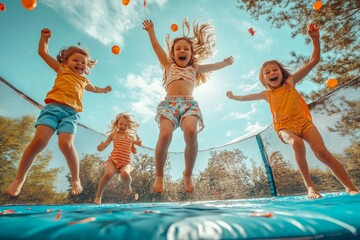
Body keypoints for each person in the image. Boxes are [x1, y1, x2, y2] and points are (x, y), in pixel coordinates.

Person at [226, 24, 358, 199]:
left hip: (304, 123)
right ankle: (310, 186)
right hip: (284, 127)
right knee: (296, 143)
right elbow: (245, 98)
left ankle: (350, 187)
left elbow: (314, 61)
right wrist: (234, 96)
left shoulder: (290, 83)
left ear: (281, 73)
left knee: (322, 153)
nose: (272, 73)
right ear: (263, 79)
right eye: (267, 72)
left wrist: (315, 40)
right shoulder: (267, 94)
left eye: (275, 70)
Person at [5, 28, 112, 196]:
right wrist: (44, 38)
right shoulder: (62, 69)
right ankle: (20, 178)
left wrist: (104, 90)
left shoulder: (84, 80)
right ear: (65, 61)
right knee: (39, 140)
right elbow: (43, 52)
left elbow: (94, 88)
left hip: (71, 114)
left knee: (66, 144)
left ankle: (75, 178)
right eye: (76, 60)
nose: (80, 64)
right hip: (53, 109)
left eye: (83, 63)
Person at [142, 18, 234, 193]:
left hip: (188, 104)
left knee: (191, 132)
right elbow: (156, 47)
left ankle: (188, 174)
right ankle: (159, 175)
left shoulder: (194, 69)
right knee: (164, 136)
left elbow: (214, 66)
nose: (182, 51)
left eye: (186, 49)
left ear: (191, 54)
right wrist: (151, 31)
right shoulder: (168, 65)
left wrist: (226, 63)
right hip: (169, 105)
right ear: (173, 53)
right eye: (178, 49)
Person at [94, 113, 142, 204]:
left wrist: (138, 144)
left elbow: (134, 151)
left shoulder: (130, 137)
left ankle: (128, 186)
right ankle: (98, 197)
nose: (122, 126)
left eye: (125, 125)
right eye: (120, 124)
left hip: (126, 162)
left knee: (125, 173)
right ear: (117, 124)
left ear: (129, 126)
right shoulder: (113, 135)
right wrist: (99, 147)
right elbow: (102, 147)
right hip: (114, 160)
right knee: (108, 174)